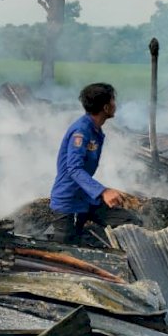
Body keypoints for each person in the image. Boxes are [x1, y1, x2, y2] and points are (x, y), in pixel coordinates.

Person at [44, 83, 128, 243]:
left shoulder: (94, 129)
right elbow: (74, 169)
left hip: (86, 197)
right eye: (113, 101)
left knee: (129, 222)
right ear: (105, 107)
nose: (115, 105)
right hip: (69, 202)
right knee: (67, 252)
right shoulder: (81, 131)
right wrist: (103, 191)